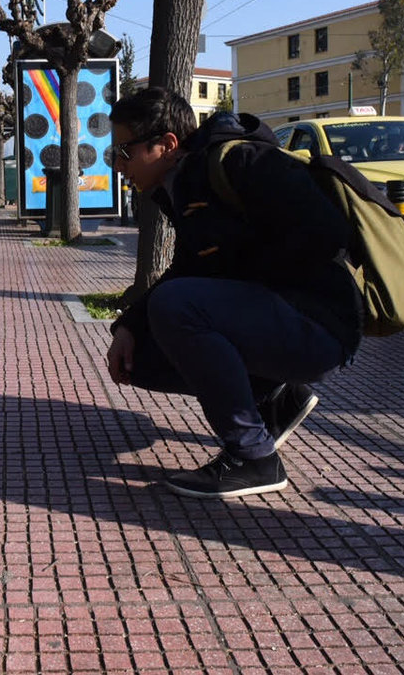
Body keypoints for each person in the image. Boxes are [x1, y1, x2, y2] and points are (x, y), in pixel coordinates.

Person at [105, 88, 363, 499]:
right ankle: (275, 398)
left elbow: (330, 232)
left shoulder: (239, 162)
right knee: (140, 356)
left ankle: (253, 457)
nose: (118, 164)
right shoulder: (186, 185)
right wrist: (128, 326)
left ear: (167, 145)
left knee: (177, 307)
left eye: (124, 150)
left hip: (321, 324)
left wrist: (245, 271)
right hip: (280, 320)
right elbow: (189, 268)